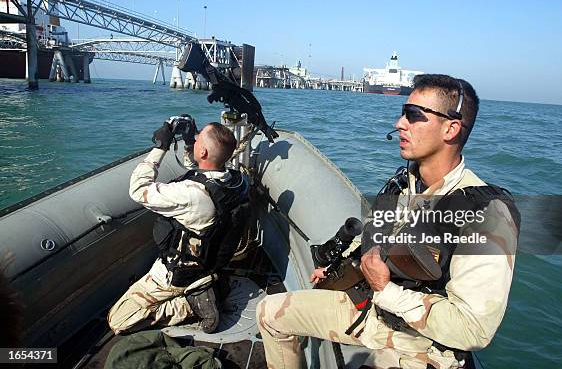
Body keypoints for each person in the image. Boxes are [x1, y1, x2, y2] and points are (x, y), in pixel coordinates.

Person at [256, 75, 520, 368]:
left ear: (451, 128)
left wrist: (386, 290)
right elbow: (375, 240)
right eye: (403, 113)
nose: (400, 123)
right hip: (370, 308)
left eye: (413, 115)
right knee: (269, 313)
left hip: (420, 344)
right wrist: (340, 265)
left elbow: (473, 329)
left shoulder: (488, 214)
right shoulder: (404, 184)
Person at [108, 119, 248, 335]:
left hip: (177, 275)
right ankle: (210, 286)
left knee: (118, 319)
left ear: (202, 152)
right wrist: (190, 141)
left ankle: (189, 305)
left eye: (198, 139)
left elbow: (137, 189)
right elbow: (199, 169)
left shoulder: (191, 195)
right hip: (208, 262)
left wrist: (160, 147)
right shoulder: (235, 182)